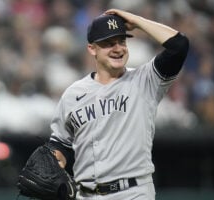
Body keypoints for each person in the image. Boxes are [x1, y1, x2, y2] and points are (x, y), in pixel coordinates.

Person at [48, 8, 189, 200]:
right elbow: (61, 144)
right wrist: (55, 160)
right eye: (108, 43)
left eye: (122, 41)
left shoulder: (145, 80)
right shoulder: (73, 94)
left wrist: (137, 21)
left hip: (133, 192)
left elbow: (179, 45)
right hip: (85, 195)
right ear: (92, 48)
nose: (118, 48)